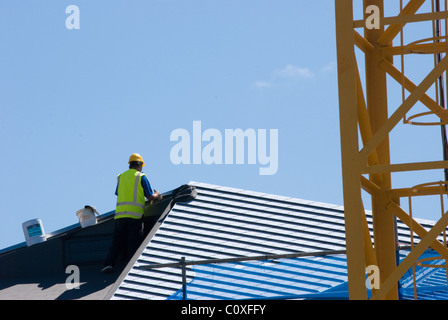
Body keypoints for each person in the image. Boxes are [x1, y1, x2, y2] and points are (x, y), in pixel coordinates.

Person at [101, 153, 162, 273]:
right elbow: (150, 196)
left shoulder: (121, 176)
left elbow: (119, 193)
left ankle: (108, 264)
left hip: (120, 215)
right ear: (140, 165)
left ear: (130, 165)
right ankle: (130, 267)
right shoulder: (141, 177)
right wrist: (158, 195)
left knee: (117, 241)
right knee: (133, 241)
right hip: (135, 215)